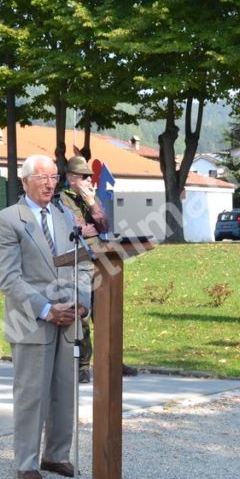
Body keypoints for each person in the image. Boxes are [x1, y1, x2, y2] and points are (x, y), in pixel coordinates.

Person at [0, 154, 93, 479]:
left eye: (53, 177)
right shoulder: (9, 220)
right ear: (25, 181)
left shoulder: (65, 215)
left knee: (65, 392)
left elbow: (83, 262)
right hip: (31, 319)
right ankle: (26, 461)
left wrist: (81, 302)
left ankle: (56, 455)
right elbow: (8, 278)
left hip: (68, 318)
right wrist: (47, 308)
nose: (50, 183)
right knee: (31, 394)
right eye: (43, 177)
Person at [57, 155, 138, 383]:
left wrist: (92, 203)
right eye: (84, 177)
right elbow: (75, 230)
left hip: (100, 260)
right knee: (82, 314)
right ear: (72, 178)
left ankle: (112, 360)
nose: (88, 181)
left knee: (106, 314)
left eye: (89, 177)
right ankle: (83, 365)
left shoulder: (89, 198)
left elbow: (103, 226)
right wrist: (87, 228)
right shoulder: (62, 200)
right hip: (78, 261)